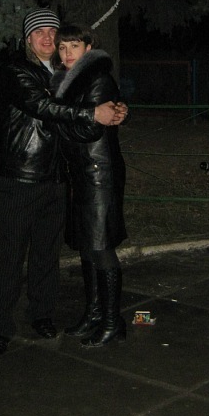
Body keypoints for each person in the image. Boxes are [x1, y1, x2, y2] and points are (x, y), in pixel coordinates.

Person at [0, 8, 126, 356]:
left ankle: (42, 314)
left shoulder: (67, 73)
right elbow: (42, 107)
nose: (48, 38)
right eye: (39, 33)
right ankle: (0, 325)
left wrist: (116, 108)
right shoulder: (16, 71)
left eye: (53, 32)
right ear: (27, 39)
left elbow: (97, 93)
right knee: (11, 252)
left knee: (47, 252)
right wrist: (93, 113)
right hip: (21, 174)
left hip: (59, 175)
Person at [51, 23, 127, 348]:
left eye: (74, 46)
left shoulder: (98, 79)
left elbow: (89, 130)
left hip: (100, 174)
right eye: (62, 47)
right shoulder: (66, 81)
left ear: (88, 48)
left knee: (101, 247)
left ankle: (113, 322)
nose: (67, 53)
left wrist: (53, 119)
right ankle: (94, 313)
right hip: (81, 174)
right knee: (87, 245)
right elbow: (82, 119)